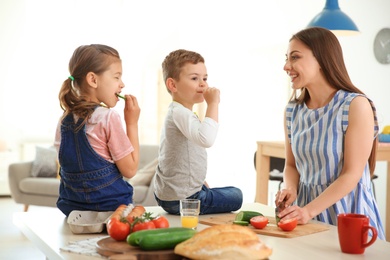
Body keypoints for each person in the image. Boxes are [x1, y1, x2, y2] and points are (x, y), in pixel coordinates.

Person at [275, 27, 385, 240]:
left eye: (295, 57)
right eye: (287, 58)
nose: (286, 66)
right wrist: (290, 188)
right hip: (306, 217)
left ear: (322, 59)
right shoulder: (292, 111)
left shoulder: (355, 106)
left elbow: (351, 175)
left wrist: (308, 211)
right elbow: (291, 165)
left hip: (349, 215)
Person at [154, 49, 243, 215]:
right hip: (183, 200)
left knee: (219, 190)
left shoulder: (180, 112)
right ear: (173, 85)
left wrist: (198, 181)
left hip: (170, 194)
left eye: (205, 78)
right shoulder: (179, 112)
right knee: (237, 195)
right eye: (195, 78)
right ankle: (198, 194)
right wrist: (213, 104)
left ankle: (199, 189)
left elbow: (185, 158)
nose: (203, 84)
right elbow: (206, 139)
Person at [55, 44, 140, 217]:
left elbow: (64, 164)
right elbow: (130, 170)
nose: (122, 84)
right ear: (93, 80)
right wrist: (132, 123)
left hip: (73, 211)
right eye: (117, 77)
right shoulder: (108, 117)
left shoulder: (64, 120)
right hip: (112, 211)